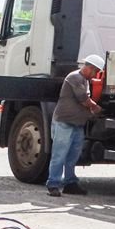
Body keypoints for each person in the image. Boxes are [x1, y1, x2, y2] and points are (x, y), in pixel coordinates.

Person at [46, 53, 104, 198]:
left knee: (73, 156)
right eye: (95, 71)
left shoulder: (85, 80)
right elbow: (83, 99)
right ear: (89, 67)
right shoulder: (75, 77)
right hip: (64, 122)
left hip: (77, 124)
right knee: (59, 154)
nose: (95, 74)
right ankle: (53, 184)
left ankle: (70, 183)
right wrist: (96, 108)